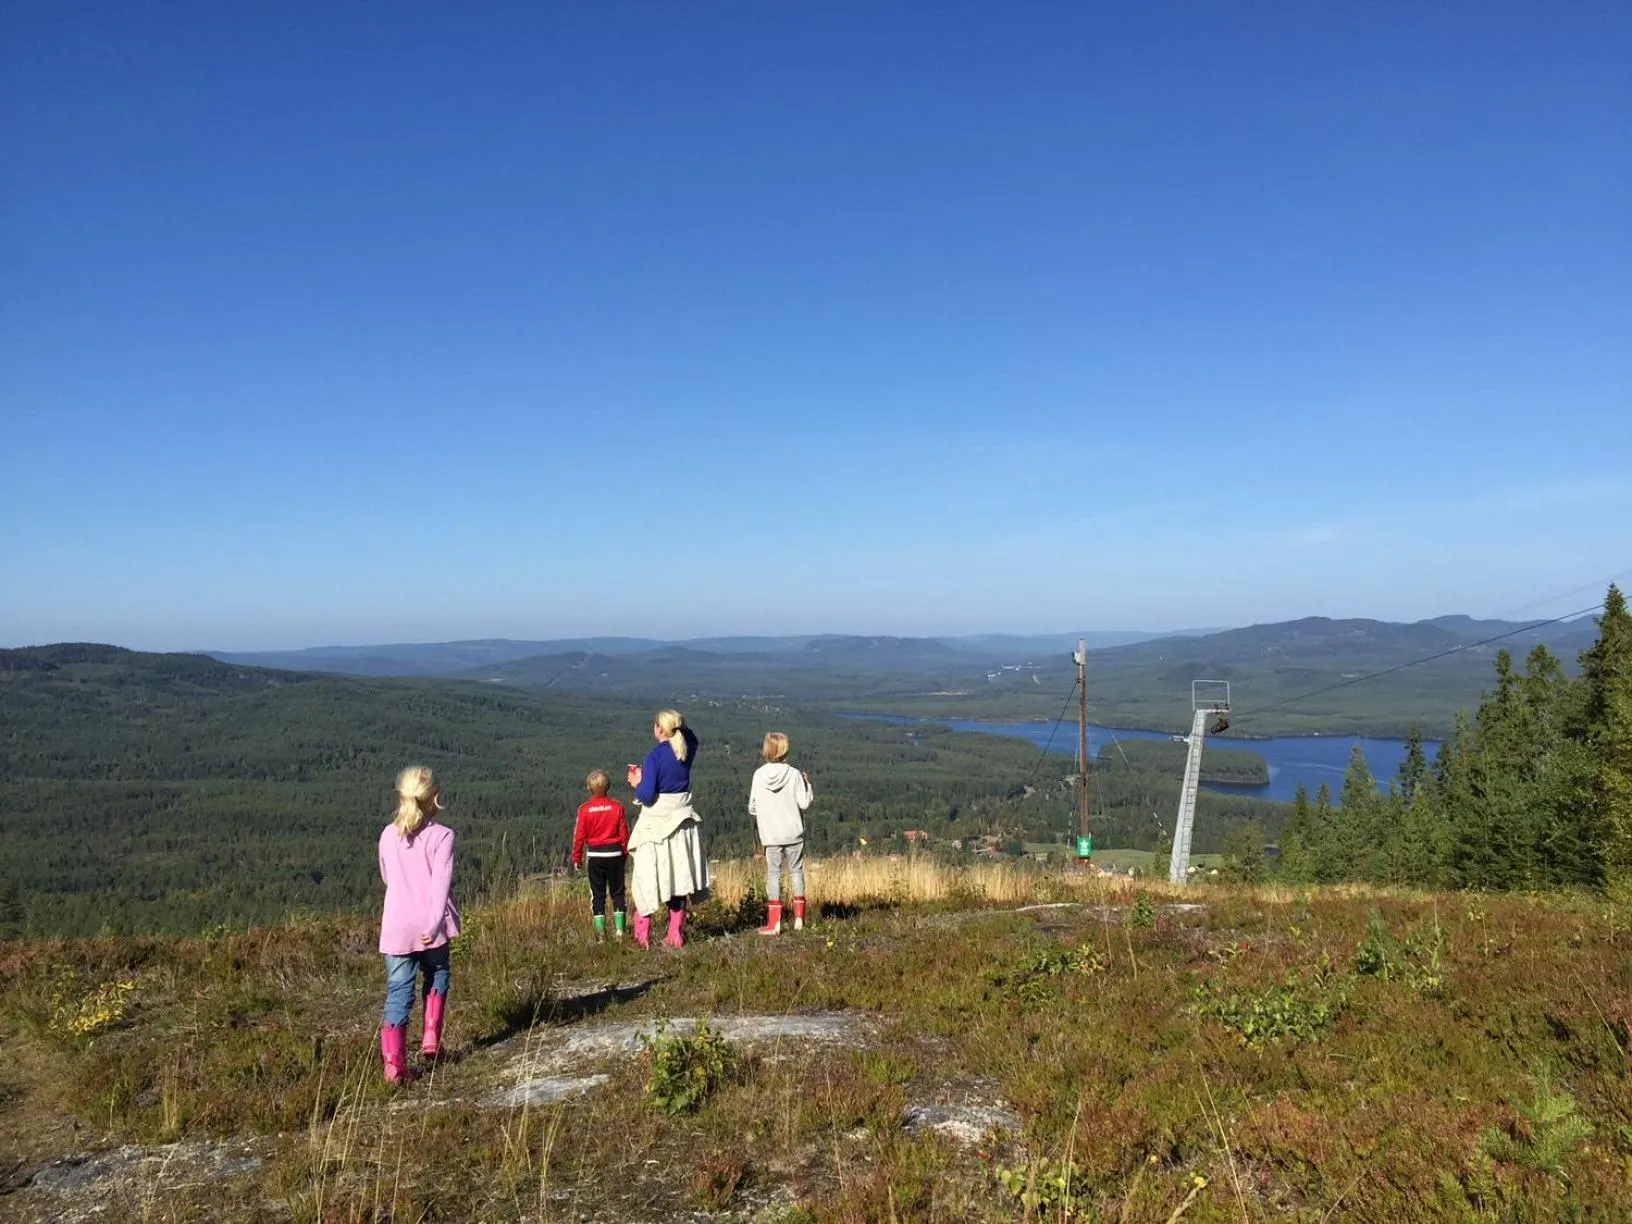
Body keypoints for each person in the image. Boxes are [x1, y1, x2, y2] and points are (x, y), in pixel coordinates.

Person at [377, 765, 460, 1083]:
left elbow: (387, 878)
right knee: (437, 972)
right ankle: (430, 1038)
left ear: (401, 796)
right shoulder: (443, 836)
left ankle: (394, 1066)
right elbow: (441, 884)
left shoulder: (388, 834)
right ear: (435, 798)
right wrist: (434, 923)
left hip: (396, 925)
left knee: (398, 991)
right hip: (430, 925)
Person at [626, 709, 708, 949]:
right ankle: (675, 934)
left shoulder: (655, 756)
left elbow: (647, 795)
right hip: (682, 824)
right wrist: (680, 725)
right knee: (678, 879)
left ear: (659, 729)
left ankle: (642, 938)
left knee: (647, 879)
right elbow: (692, 738)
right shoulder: (686, 750)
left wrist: (637, 782)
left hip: (657, 827)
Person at [749, 732, 814, 935]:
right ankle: (799, 919)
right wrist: (808, 785)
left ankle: (774, 922)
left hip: (771, 835)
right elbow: (804, 803)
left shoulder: (759, 775)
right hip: (794, 832)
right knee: (796, 871)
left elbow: (753, 808)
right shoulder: (794, 774)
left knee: (774, 874)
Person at [572, 769, 630, 940]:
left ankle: (601, 934)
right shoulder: (617, 807)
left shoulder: (584, 810)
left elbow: (579, 836)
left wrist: (577, 857)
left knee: (598, 895)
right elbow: (624, 834)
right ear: (608, 787)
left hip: (595, 856)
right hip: (615, 854)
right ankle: (620, 932)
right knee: (618, 893)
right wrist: (625, 853)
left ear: (589, 789)